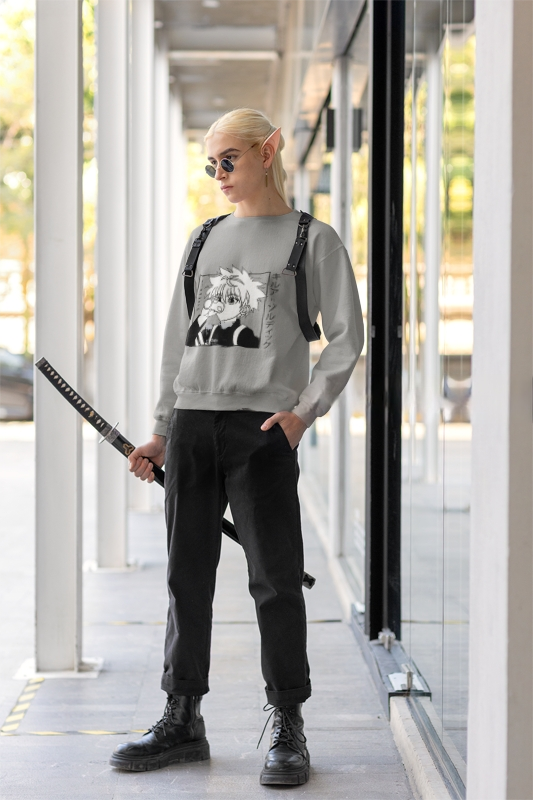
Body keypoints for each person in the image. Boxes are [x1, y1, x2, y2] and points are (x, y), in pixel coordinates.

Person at [109, 108, 364, 786]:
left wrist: (303, 413)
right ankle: (182, 717)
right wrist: (162, 429)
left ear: (268, 151)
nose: (218, 174)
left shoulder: (312, 240)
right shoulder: (203, 239)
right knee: (185, 577)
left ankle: (288, 724)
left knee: (275, 582)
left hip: (262, 431)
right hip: (194, 425)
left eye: (229, 160)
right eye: (210, 164)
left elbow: (348, 337)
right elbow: (178, 344)